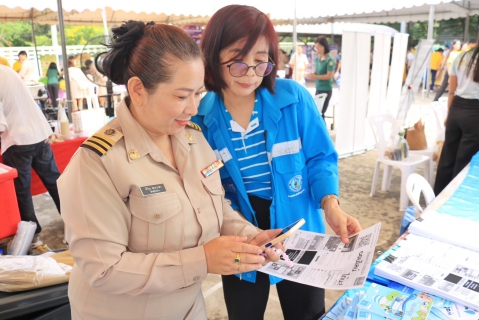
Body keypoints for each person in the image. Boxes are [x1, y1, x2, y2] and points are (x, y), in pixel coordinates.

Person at [57, 20, 281, 320]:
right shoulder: (97, 163)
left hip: (187, 308)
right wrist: (201, 260)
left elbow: (214, 204)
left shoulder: (192, 137)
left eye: (198, 94)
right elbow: (104, 269)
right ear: (138, 90)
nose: (192, 107)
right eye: (180, 96)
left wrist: (251, 237)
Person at [194, 5, 362, 320]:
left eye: (261, 62)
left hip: (297, 225)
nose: (251, 74)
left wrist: (330, 204)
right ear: (213, 57)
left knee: (308, 312)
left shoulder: (294, 99)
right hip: (239, 232)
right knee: (244, 312)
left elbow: (320, 157)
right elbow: (205, 188)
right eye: (238, 62)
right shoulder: (201, 118)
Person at [0, 65, 61, 247]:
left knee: (21, 189)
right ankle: (75, 219)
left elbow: (0, 125)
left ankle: (32, 232)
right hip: (38, 132)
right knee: (54, 180)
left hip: (18, 139)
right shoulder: (5, 70)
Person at [434, 41, 479, 195]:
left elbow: (451, 91)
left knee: (447, 157)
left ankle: (437, 197)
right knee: (464, 161)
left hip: (456, 108)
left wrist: (450, 113)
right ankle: (453, 198)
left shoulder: (461, 57)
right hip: (475, 113)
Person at [308, 36, 335, 120]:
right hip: (318, 87)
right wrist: (312, 74)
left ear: (324, 46)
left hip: (326, 89)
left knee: (320, 112)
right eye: (316, 48)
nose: (318, 50)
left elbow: (329, 76)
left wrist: (315, 76)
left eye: (319, 47)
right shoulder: (319, 58)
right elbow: (317, 70)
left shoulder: (329, 59)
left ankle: (323, 131)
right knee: (316, 111)